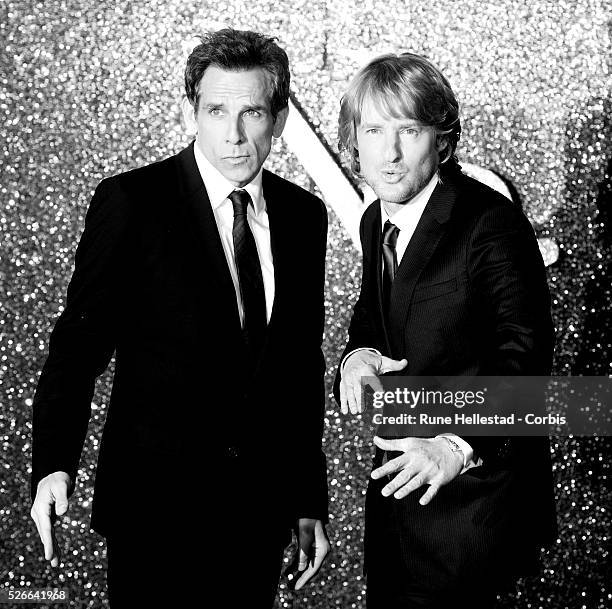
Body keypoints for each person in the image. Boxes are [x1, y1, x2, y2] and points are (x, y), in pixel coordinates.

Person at [30, 28, 330, 608]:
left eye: (251, 112)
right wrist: (53, 465)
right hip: (154, 513)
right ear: (192, 109)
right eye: (216, 110)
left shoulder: (304, 216)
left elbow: (297, 369)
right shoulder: (132, 203)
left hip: (256, 516)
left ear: (280, 119)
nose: (234, 134)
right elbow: (78, 347)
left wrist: (306, 498)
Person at [334, 53, 556, 608]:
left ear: (443, 139)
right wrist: (358, 354)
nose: (389, 153)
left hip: (473, 512)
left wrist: (457, 445)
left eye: (409, 131)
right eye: (374, 131)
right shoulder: (374, 218)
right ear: (354, 140)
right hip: (397, 506)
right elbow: (375, 311)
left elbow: (527, 359)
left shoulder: (491, 224)